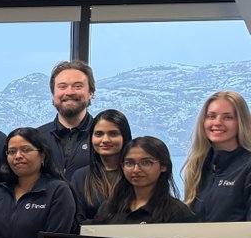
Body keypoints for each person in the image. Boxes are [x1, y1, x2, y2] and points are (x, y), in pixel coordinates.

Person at [182, 90, 251, 222]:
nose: (217, 122)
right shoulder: (197, 166)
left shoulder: (247, 167)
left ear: (241, 122)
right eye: (211, 116)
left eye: (228, 117)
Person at [95, 136, 195, 226]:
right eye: (129, 163)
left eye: (146, 162)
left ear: (163, 166)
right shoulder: (110, 208)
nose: (136, 170)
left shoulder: (178, 213)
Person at [69, 108, 130, 223]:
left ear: (124, 137)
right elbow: (76, 221)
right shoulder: (80, 177)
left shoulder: (136, 174)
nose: (105, 140)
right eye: (99, 134)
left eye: (113, 134)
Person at [38, 60, 96, 179]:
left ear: (91, 93)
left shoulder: (103, 138)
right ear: (53, 95)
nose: (69, 92)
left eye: (78, 86)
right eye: (62, 87)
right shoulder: (37, 138)